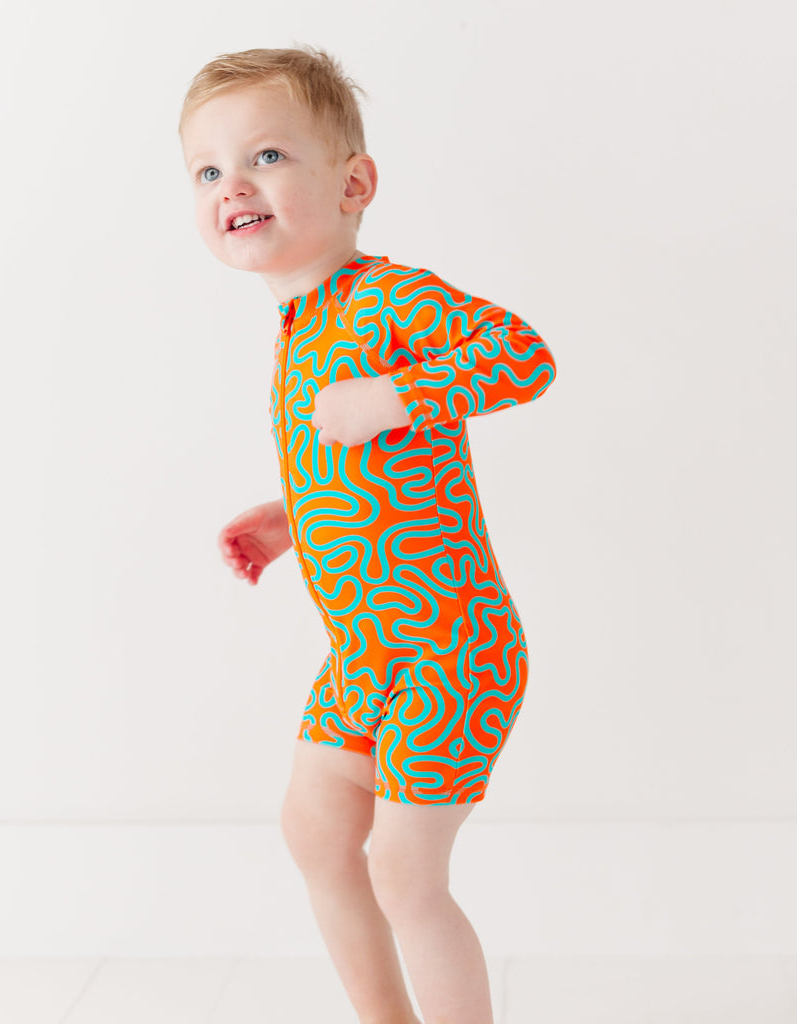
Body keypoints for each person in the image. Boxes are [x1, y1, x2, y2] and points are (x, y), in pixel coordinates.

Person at [178, 44, 556, 1024]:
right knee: (312, 829)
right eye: (208, 170)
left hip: (449, 645)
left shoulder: (389, 299)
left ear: (353, 184)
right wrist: (288, 517)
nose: (232, 185)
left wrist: (396, 391)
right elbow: (370, 471)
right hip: (366, 646)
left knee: (403, 867)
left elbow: (524, 358)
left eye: (265, 156)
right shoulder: (300, 322)